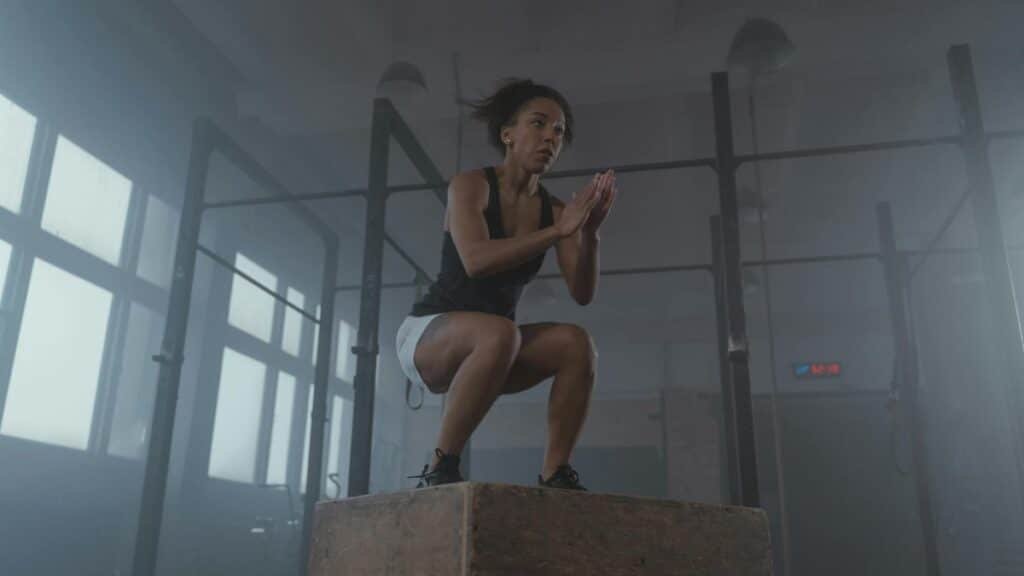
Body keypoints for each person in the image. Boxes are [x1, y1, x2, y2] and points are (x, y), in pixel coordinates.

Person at [395, 78, 617, 491]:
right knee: (500, 331)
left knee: (576, 343)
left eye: (559, 131)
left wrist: (589, 234)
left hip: (496, 349)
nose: (551, 136)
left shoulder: (555, 211)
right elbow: (476, 261)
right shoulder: (470, 185)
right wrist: (557, 232)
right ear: (508, 134)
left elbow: (582, 294)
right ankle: (440, 466)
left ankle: (555, 474)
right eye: (539, 123)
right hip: (430, 336)